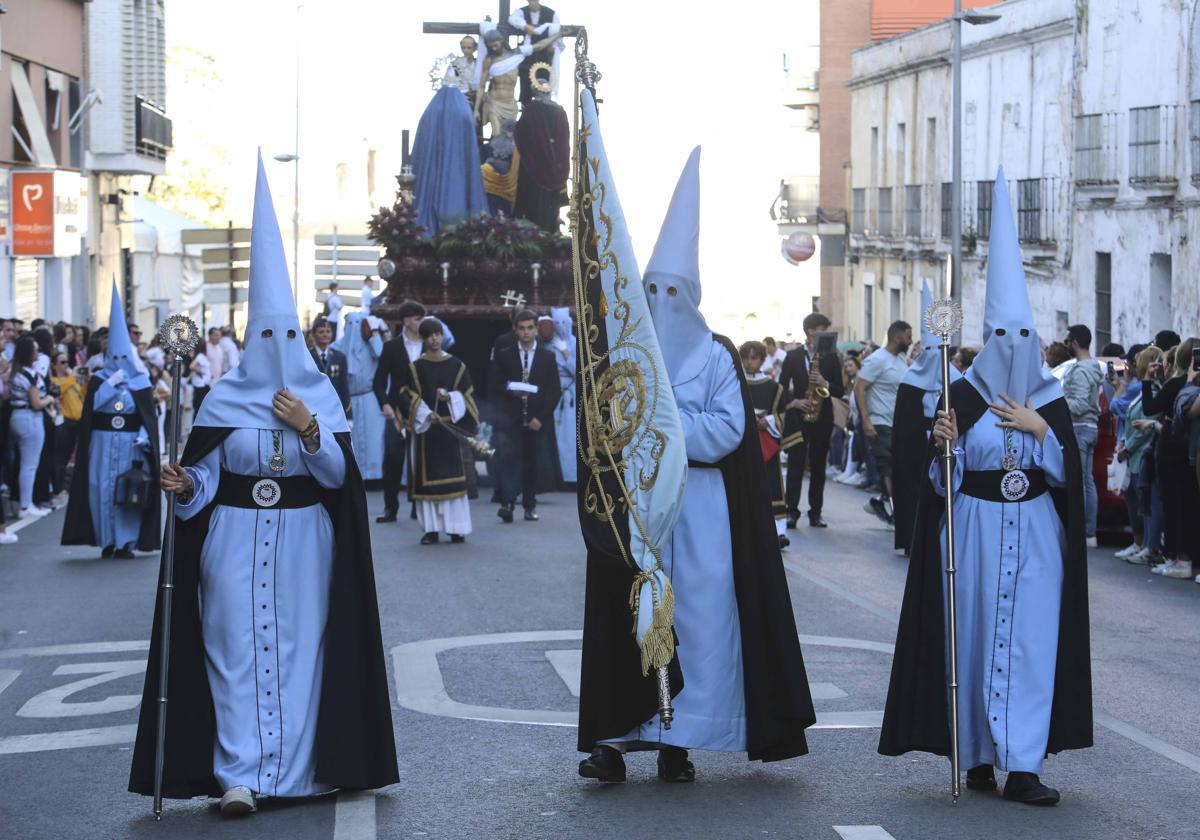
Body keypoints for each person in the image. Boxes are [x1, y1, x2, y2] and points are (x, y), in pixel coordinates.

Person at [128, 155, 397, 815]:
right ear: (251, 338)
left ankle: (303, 771)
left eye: (287, 333)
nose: (277, 346)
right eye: (265, 334)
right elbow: (206, 483)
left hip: (308, 539)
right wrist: (184, 483)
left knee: (303, 652)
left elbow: (336, 479)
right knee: (233, 651)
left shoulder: (320, 398)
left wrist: (309, 429)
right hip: (233, 538)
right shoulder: (223, 398)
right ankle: (239, 773)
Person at [578, 148, 813, 784]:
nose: (661, 299)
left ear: (693, 294)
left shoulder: (715, 356)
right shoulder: (625, 355)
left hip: (704, 510)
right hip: (639, 511)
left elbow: (728, 430)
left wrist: (664, 423)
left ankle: (680, 739)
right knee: (629, 618)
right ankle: (614, 741)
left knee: (701, 622)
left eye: (672, 290)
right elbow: (606, 428)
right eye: (651, 289)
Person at [880, 173, 1092, 806]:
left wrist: (1038, 430)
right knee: (970, 639)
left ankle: (1022, 763)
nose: (1011, 347)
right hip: (971, 528)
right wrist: (943, 443)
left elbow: (1066, 475)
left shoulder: (1048, 399)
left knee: (1029, 642)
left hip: (1034, 533)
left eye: (1021, 335)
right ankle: (974, 753)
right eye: (1000, 335)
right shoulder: (962, 396)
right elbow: (936, 482)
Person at [60, 283, 160, 559]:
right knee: (100, 486)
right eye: (112, 357)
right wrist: (109, 385)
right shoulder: (100, 379)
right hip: (102, 441)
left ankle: (126, 541)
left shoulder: (140, 381)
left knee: (128, 488)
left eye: (121, 356)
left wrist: (143, 434)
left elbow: (148, 415)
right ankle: (106, 539)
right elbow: (90, 408)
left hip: (130, 443)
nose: (117, 361)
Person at [892, 283, 961, 554]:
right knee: (913, 491)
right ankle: (911, 539)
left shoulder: (956, 381)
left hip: (943, 445)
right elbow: (903, 425)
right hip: (915, 448)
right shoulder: (911, 381)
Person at [404, 318, 479, 545]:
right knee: (427, 484)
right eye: (429, 335)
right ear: (424, 338)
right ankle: (431, 530)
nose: (434, 339)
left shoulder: (457, 365)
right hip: (428, 430)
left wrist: (450, 397)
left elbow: (466, 395)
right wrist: (427, 413)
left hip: (450, 431)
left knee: (455, 482)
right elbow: (410, 396)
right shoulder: (416, 368)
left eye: (437, 334)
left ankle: (457, 529)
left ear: (442, 336)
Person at [488, 308, 561, 522]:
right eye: (522, 328)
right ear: (515, 330)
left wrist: (541, 417)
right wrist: (511, 390)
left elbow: (553, 390)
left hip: (536, 419)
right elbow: (495, 384)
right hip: (511, 417)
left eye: (530, 328)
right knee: (509, 460)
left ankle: (529, 505)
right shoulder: (505, 354)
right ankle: (508, 503)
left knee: (531, 463)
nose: (526, 333)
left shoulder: (547, 357)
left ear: (537, 330)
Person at [778, 312, 845, 528]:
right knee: (796, 465)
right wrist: (795, 402)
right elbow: (781, 387)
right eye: (823, 330)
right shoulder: (794, 356)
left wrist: (825, 383)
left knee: (818, 467)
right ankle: (791, 511)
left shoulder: (832, 357)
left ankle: (815, 512)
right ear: (811, 331)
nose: (827, 334)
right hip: (799, 417)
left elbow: (840, 390)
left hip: (822, 417)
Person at [855, 320, 912, 528]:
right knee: (888, 465)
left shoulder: (902, 359)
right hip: (879, 422)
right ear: (897, 337)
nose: (910, 341)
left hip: (897, 423)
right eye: (908, 336)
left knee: (897, 466)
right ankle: (897, 515)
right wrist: (866, 420)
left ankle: (879, 502)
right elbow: (860, 388)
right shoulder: (877, 360)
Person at [373, 300, 424, 523]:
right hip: (396, 412)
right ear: (405, 320)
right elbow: (378, 381)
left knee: (420, 460)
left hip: (422, 411)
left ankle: (419, 507)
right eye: (416, 318)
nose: (420, 322)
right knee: (393, 458)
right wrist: (384, 404)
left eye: (422, 318)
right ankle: (390, 508)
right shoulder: (391, 347)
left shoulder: (429, 344)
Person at [740, 340, 792, 549]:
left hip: (766, 444)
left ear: (762, 360)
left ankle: (779, 531)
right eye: (745, 358)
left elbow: (783, 414)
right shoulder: (736, 383)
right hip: (742, 441)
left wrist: (767, 422)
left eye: (754, 358)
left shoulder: (774, 388)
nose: (749, 362)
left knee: (772, 485)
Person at [1063, 324, 1103, 548]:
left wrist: (1059, 402)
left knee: (1080, 482)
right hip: (1090, 427)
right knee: (1087, 481)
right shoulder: (1093, 367)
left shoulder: (1081, 370)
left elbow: (1078, 404)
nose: (1066, 344)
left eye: (1068, 341)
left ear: (1075, 342)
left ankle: (1084, 531)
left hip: (1080, 427)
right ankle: (1089, 531)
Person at [334, 311, 387, 482]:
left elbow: (382, 354)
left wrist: (374, 334)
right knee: (353, 438)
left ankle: (374, 475)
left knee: (374, 439)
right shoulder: (337, 347)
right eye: (351, 324)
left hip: (369, 397)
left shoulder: (372, 344)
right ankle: (356, 475)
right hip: (349, 398)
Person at [8, 335, 54, 518]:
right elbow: (36, 403)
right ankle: (26, 505)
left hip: (17, 417)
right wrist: (49, 398)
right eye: (35, 349)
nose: (38, 352)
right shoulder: (30, 374)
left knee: (23, 463)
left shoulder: (16, 373)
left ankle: (24, 503)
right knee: (29, 465)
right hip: (30, 418)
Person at [508, 1, 565, 104]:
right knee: (525, 91)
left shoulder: (551, 14)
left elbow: (557, 36)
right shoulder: (521, 12)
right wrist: (525, 26)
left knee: (544, 90)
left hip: (544, 60)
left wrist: (553, 47)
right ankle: (526, 113)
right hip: (526, 61)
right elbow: (512, 19)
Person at [50, 351, 85, 498]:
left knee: (73, 457)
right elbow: (59, 390)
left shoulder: (71, 379)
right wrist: (73, 377)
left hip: (77, 422)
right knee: (61, 458)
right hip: (65, 423)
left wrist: (85, 380)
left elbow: (82, 395)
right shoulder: (55, 380)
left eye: (67, 362)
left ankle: (67, 487)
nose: (66, 365)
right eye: (62, 362)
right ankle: (58, 489)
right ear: (54, 365)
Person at [549, 307, 577, 485]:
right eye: (556, 323)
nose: (561, 326)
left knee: (569, 438)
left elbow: (578, 370)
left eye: (564, 322)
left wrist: (566, 353)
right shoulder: (548, 343)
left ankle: (571, 476)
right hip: (553, 393)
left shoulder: (574, 343)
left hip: (570, 395)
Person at [309, 317, 350, 414]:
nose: (325, 335)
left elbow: (344, 385)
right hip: (314, 404)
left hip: (334, 405)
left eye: (328, 331)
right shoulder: (308, 356)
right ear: (314, 334)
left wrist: (347, 413)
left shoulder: (339, 357)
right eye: (321, 332)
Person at [189, 347, 212, 413]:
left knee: (199, 406)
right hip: (200, 385)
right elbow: (192, 366)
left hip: (202, 384)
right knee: (199, 407)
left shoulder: (199, 356)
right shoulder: (200, 356)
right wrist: (200, 371)